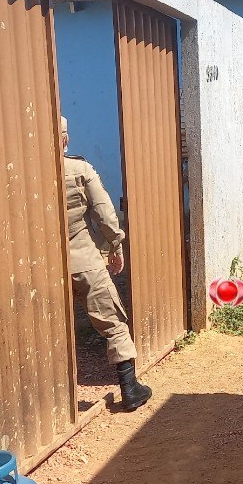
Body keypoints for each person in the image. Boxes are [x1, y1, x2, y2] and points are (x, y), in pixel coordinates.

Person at [60, 116, 151, 411]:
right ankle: (130, 389)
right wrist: (116, 245)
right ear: (65, 139)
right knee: (113, 321)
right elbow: (104, 212)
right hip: (84, 260)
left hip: (45, 265)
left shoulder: (26, 173)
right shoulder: (79, 169)